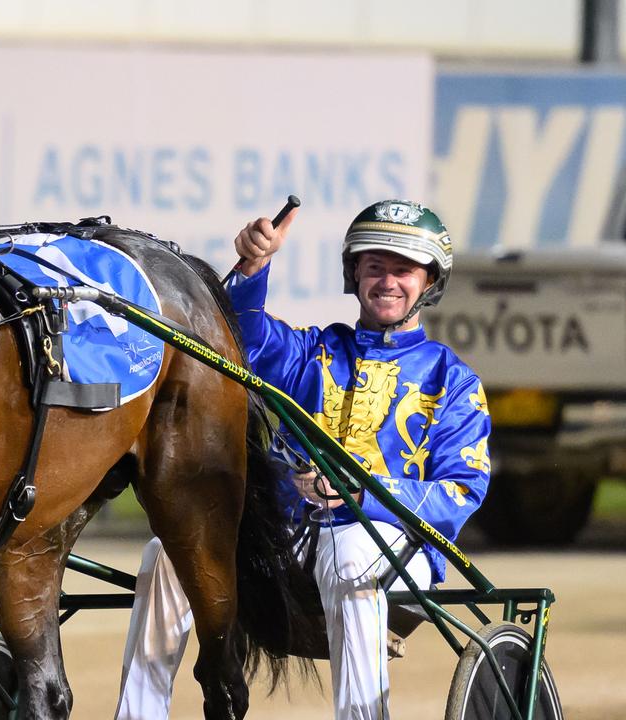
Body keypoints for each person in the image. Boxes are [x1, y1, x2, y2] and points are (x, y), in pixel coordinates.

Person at [115, 200, 492, 720]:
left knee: (350, 547)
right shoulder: (312, 352)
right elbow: (239, 337)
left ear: (429, 282)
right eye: (374, 266)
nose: (387, 281)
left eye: (402, 269)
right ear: (354, 272)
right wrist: (252, 268)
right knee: (172, 548)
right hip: (288, 549)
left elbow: (462, 491)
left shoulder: (453, 382)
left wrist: (363, 493)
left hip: (389, 557)